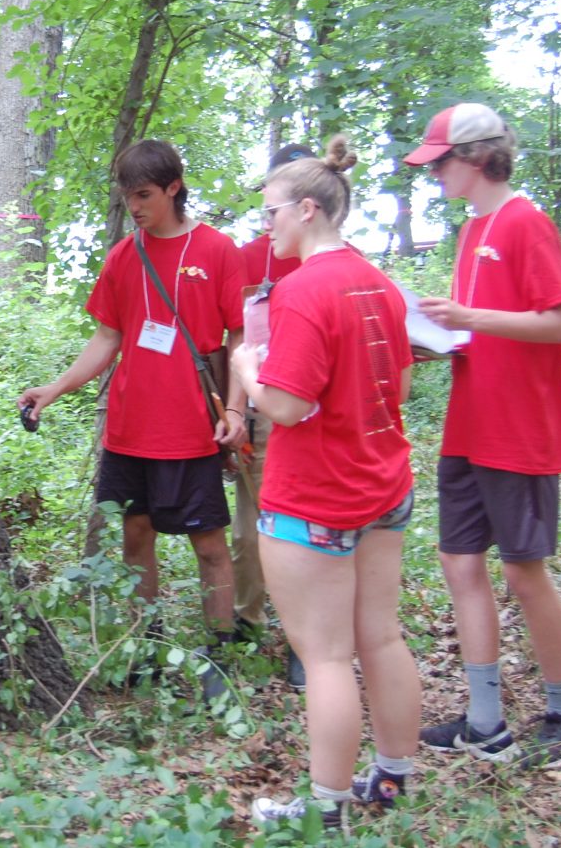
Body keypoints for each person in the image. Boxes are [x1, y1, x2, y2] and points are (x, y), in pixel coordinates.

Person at [231, 136, 422, 832]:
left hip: (316, 495)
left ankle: (326, 809)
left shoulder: (305, 288)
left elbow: (282, 404)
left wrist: (248, 365)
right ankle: (394, 775)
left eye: (272, 213)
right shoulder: (377, 281)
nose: (266, 226)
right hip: (383, 482)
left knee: (327, 654)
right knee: (382, 635)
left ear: (308, 209)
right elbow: (398, 381)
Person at [404, 102, 561, 768]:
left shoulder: (525, 222)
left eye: (441, 163)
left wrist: (471, 317)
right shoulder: (471, 231)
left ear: (479, 158)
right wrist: (440, 337)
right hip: (469, 425)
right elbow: (481, 327)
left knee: (522, 567)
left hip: (520, 428)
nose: (435, 176)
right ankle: (484, 719)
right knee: (460, 561)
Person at [19, 139, 249, 676]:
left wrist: (235, 412)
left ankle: (220, 657)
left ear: (174, 187)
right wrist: (52, 390)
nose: (136, 208)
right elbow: (106, 338)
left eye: (144, 195)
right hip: (129, 428)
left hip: (192, 427)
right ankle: (146, 646)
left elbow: (240, 337)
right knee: (135, 535)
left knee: (208, 544)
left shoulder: (217, 250)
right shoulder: (125, 255)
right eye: (128, 198)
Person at [231, 141, 311, 691]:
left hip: (315, 414)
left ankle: (308, 637)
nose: (271, 212)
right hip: (261, 408)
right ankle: (247, 618)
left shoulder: (331, 254)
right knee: (251, 526)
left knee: (310, 530)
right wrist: (235, 408)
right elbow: (234, 337)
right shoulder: (249, 256)